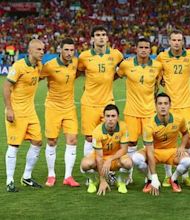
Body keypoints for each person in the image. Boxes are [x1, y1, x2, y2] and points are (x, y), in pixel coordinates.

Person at [117, 37, 163, 183]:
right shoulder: (126, 65)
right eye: (141, 47)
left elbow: (158, 85)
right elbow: (115, 75)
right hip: (131, 111)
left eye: (146, 47)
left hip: (149, 112)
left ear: (150, 50)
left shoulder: (157, 66)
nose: (143, 50)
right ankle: (128, 175)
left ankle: (148, 175)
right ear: (135, 49)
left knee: (149, 144)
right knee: (131, 143)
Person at [3, 39, 45, 192]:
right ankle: (9, 181)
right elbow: (6, 87)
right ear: (30, 51)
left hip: (30, 111)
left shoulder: (38, 66)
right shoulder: (18, 66)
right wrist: (9, 109)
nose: (42, 52)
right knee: (14, 145)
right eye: (39, 49)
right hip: (17, 111)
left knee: (37, 142)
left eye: (43, 49)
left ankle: (26, 177)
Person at [156, 29, 190, 187]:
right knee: (167, 142)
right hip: (169, 106)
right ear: (169, 41)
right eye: (174, 40)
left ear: (183, 41)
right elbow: (158, 75)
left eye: (179, 40)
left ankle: (184, 175)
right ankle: (168, 176)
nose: (177, 43)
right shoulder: (162, 57)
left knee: (189, 141)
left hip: (187, 105)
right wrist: (162, 82)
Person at [132, 93, 190, 196]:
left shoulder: (179, 119)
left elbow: (186, 133)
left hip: (171, 152)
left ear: (170, 105)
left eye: (165, 103)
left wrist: (182, 146)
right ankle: (150, 180)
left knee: (187, 161)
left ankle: (173, 179)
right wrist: (155, 177)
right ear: (155, 105)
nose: (163, 106)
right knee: (136, 158)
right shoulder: (149, 125)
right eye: (160, 103)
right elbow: (150, 152)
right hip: (154, 152)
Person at [77, 26, 123, 159]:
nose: (101, 37)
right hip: (89, 103)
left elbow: (124, 68)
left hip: (108, 102)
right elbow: (79, 72)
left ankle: (110, 166)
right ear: (92, 39)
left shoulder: (116, 54)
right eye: (97, 35)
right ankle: (91, 172)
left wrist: (112, 78)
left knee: (111, 134)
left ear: (107, 38)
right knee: (90, 137)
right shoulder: (84, 56)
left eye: (103, 34)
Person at [40, 38, 80, 187]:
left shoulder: (75, 63)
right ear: (60, 50)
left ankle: (68, 177)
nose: (69, 53)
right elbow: (35, 78)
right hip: (53, 108)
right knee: (52, 141)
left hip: (69, 107)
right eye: (66, 50)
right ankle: (51, 175)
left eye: (72, 50)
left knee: (73, 140)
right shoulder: (49, 66)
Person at [80, 104, 133, 195]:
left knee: (128, 163)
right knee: (85, 165)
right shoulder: (97, 132)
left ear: (117, 117)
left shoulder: (123, 127)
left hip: (115, 158)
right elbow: (99, 157)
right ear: (104, 117)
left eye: (113, 116)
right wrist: (102, 180)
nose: (110, 119)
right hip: (100, 157)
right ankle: (93, 181)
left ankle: (120, 181)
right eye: (107, 116)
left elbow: (124, 150)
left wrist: (110, 159)